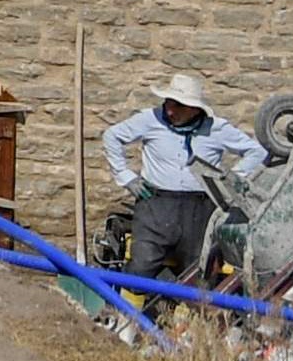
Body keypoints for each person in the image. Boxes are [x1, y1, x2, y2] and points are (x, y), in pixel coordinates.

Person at [100, 71, 262, 286]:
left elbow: (257, 152)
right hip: (154, 206)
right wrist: (127, 177)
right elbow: (112, 136)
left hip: (199, 210)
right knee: (140, 267)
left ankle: (185, 318)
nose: (170, 109)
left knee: (198, 274)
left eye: (178, 105)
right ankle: (124, 316)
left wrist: (231, 180)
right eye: (168, 102)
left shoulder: (217, 129)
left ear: (194, 109)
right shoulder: (150, 119)